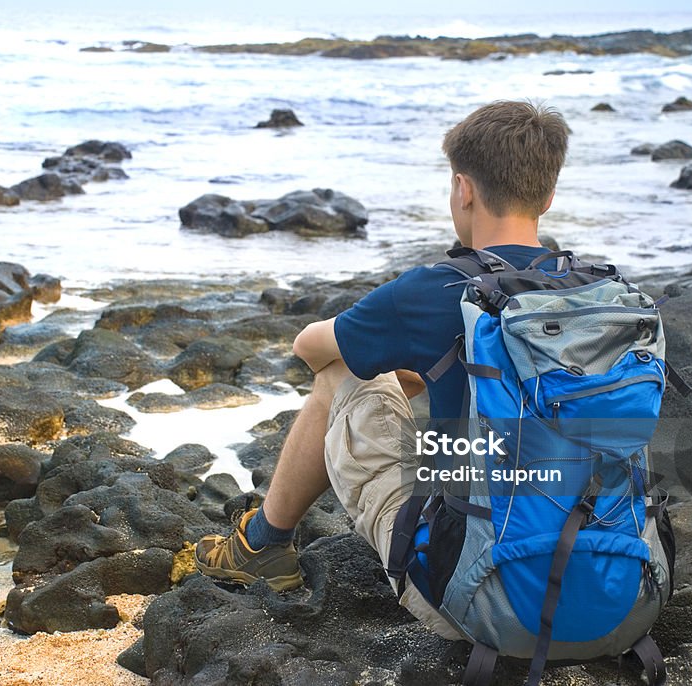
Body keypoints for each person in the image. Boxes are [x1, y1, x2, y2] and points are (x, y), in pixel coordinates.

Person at [194, 100, 571, 638]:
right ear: (548, 196)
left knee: (342, 374)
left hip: (485, 603)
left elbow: (309, 347)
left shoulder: (439, 289)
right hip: (622, 593)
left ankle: (262, 545)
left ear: (463, 189)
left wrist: (394, 351)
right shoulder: (600, 294)